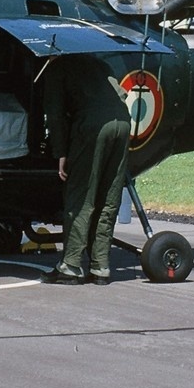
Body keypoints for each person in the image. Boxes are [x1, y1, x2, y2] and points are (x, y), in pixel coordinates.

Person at [40, 54, 133, 285]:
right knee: (109, 197)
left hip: (92, 125)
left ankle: (71, 266)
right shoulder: (100, 62)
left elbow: (55, 113)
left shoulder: (57, 67)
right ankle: (100, 266)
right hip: (122, 122)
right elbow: (120, 93)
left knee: (81, 197)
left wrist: (60, 151)